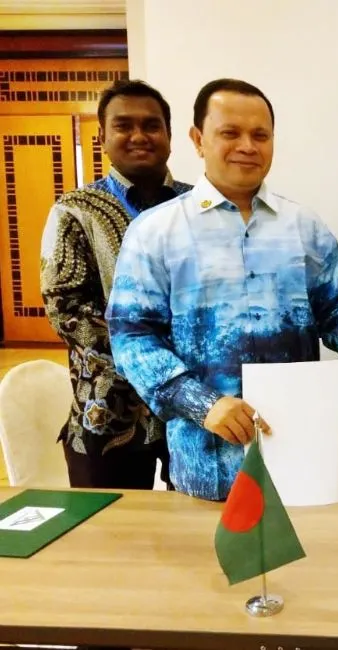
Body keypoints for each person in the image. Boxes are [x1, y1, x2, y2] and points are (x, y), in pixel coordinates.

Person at [106, 78, 338, 501]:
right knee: (208, 548)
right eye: (230, 133)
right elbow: (132, 337)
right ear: (198, 139)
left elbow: (333, 309)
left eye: (260, 135)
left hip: (299, 458)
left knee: (307, 545)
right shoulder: (156, 232)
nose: (247, 146)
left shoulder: (305, 228)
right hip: (208, 467)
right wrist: (202, 403)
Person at [40, 79, 190, 490]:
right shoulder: (75, 211)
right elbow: (67, 311)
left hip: (194, 407)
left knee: (200, 520)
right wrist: (151, 359)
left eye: (152, 125)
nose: (139, 135)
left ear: (170, 136)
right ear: (103, 138)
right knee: (108, 523)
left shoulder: (198, 207)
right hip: (107, 408)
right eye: (124, 126)